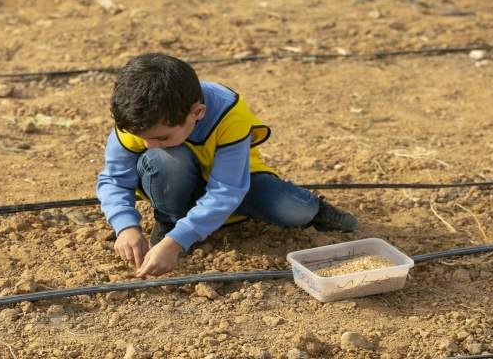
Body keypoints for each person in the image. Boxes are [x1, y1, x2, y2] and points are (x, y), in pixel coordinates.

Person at [96, 53, 360, 278]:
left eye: (162, 137)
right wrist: (126, 226)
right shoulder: (142, 121)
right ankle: (170, 221)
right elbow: (115, 180)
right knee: (163, 158)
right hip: (172, 180)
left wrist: (176, 244)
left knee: (295, 210)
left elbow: (227, 188)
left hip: (230, 182)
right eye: (143, 138)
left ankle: (313, 207)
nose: (148, 145)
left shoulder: (228, 114)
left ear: (197, 112)